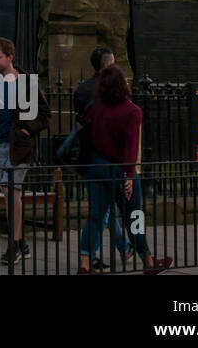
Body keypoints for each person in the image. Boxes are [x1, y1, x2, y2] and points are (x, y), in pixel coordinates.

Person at [77, 64, 172, 275]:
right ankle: (147, 260)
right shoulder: (132, 111)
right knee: (135, 216)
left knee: (95, 216)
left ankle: (84, 263)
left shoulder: (95, 107)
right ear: (123, 84)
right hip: (120, 170)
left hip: (94, 168)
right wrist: (129, 176)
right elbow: (130, 147)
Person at [0, 37, 52, 267]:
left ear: (10, 57)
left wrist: (28, 129)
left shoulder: (27, 82)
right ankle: (21, 244)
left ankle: (14, 245)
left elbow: (45, 115)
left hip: (19, 146)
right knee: (9, 194)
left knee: (12, 191)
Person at [74, 47, 129, 269]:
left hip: (88, 158)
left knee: (104, 208)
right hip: (107, 159)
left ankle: (123, 248)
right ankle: (87, 255)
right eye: (113, 63)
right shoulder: (107, 91)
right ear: (106, 66)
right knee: (102, 211)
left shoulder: (82, 89)